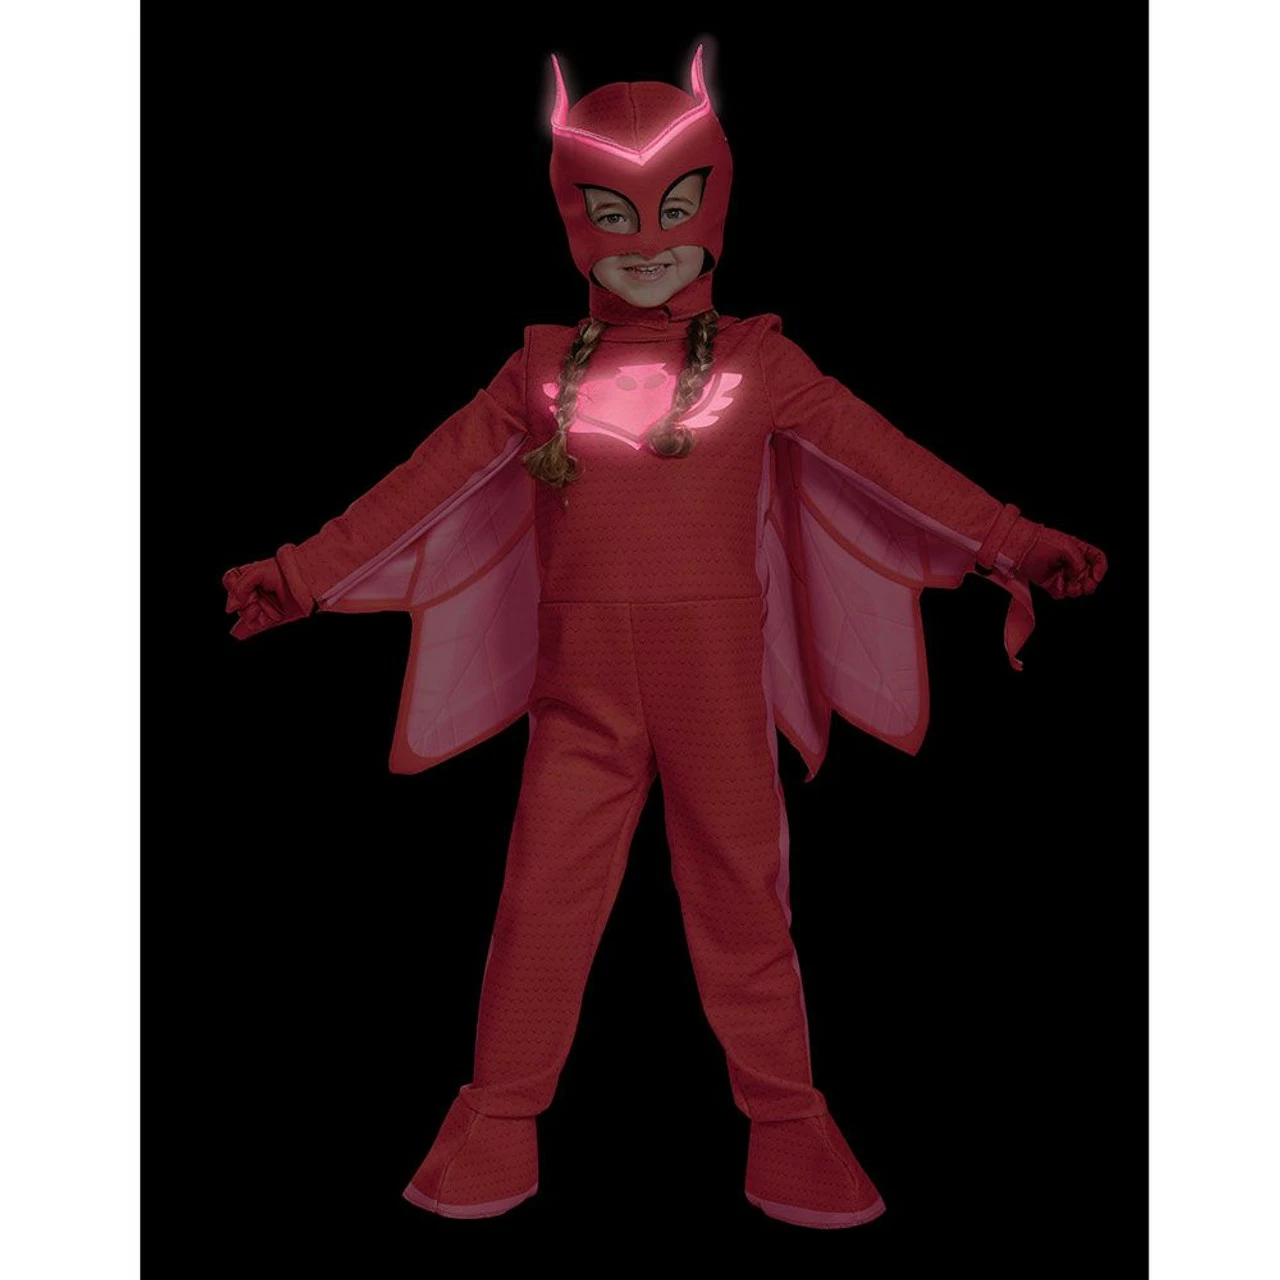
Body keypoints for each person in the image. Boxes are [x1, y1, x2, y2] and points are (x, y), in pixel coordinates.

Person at [222, 45, 1106, 1229]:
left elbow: (883, 458)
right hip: (577, 691)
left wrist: (1010, 538)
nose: (645, 242)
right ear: (572, 219)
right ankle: (497, 1117)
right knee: (539, 903)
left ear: (714, 207)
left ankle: (785, 1123)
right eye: (611, 215)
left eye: (675, 207)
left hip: (713, 687)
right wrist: (300, 575)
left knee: (743, 899)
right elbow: (421, 484)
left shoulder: (758, 361)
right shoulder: (538, 371)